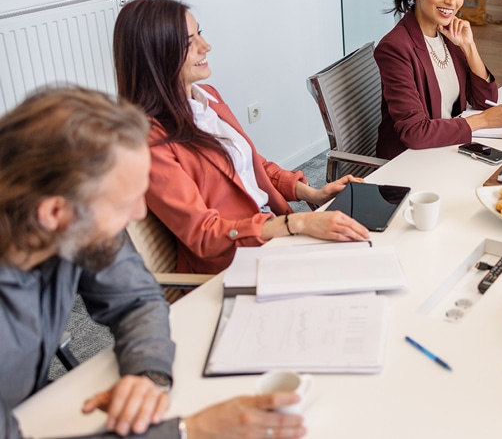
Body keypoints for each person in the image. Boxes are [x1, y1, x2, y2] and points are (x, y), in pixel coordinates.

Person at [0, 87, 306, 439]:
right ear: (54, 213)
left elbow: (137, 299)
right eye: (123, 205)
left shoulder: (67, 227)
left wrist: (147, 372)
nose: (140, 214)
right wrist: (190, 431)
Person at [114, 0, 370, 275]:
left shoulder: (209, 98)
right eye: (189, 42)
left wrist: (313, 194)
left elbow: (251, 165)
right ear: (156, 55)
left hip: (274, 235)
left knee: (370, 248)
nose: (206, 46)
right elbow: (204, 235)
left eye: (199, 33)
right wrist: (297, 224)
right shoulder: (151, 143)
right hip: (235, 264)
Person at [375, 0, 502, 159]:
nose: (452, 0)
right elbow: (415, 133)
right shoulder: (395, 48)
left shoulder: (448, 35)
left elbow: (485, 101)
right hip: (410, 161)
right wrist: (483, 121)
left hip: (448, 148)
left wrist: (469, 47)